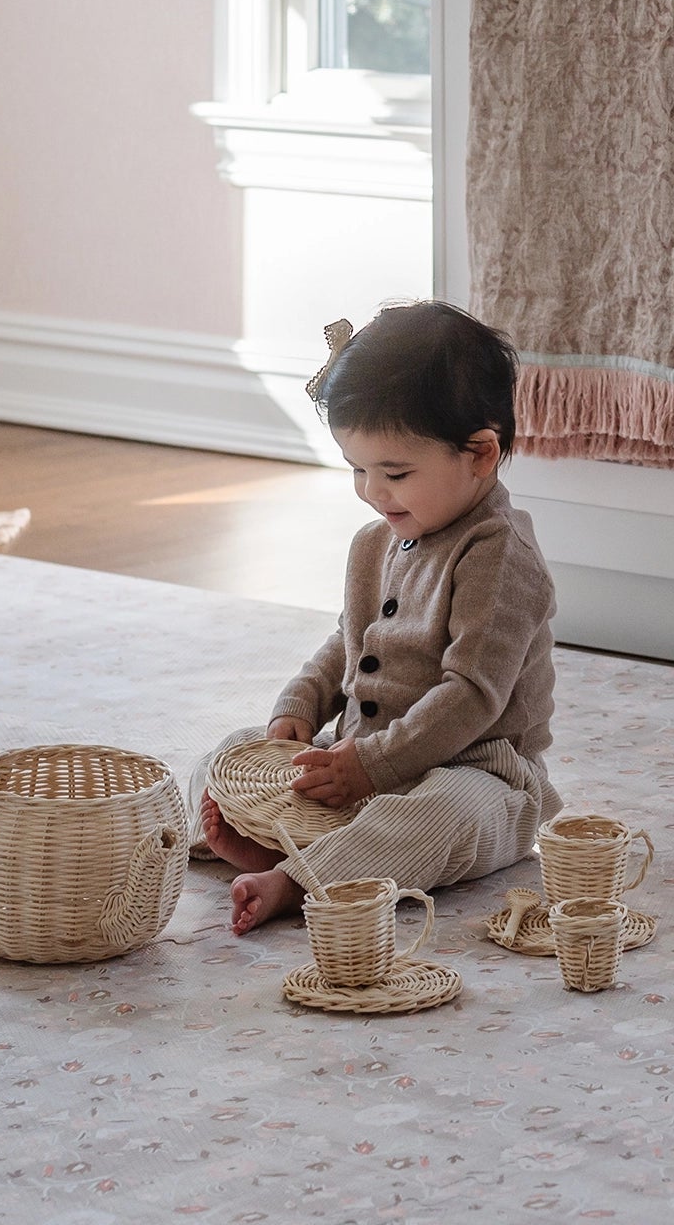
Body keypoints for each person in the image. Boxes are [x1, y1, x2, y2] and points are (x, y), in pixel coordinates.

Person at [197, 301, 561, 934]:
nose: (372, 491)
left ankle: (296, 877)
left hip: (479, 772)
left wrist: (374, 768)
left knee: (437, 814)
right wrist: (300, 707)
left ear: (480, 453)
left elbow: (472, 696)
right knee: (228, 753)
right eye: (357, 469)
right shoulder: (375, 542)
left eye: (394, 472)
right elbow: (348, 640)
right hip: (359, 761)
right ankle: (256, 836)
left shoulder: (501, 556)